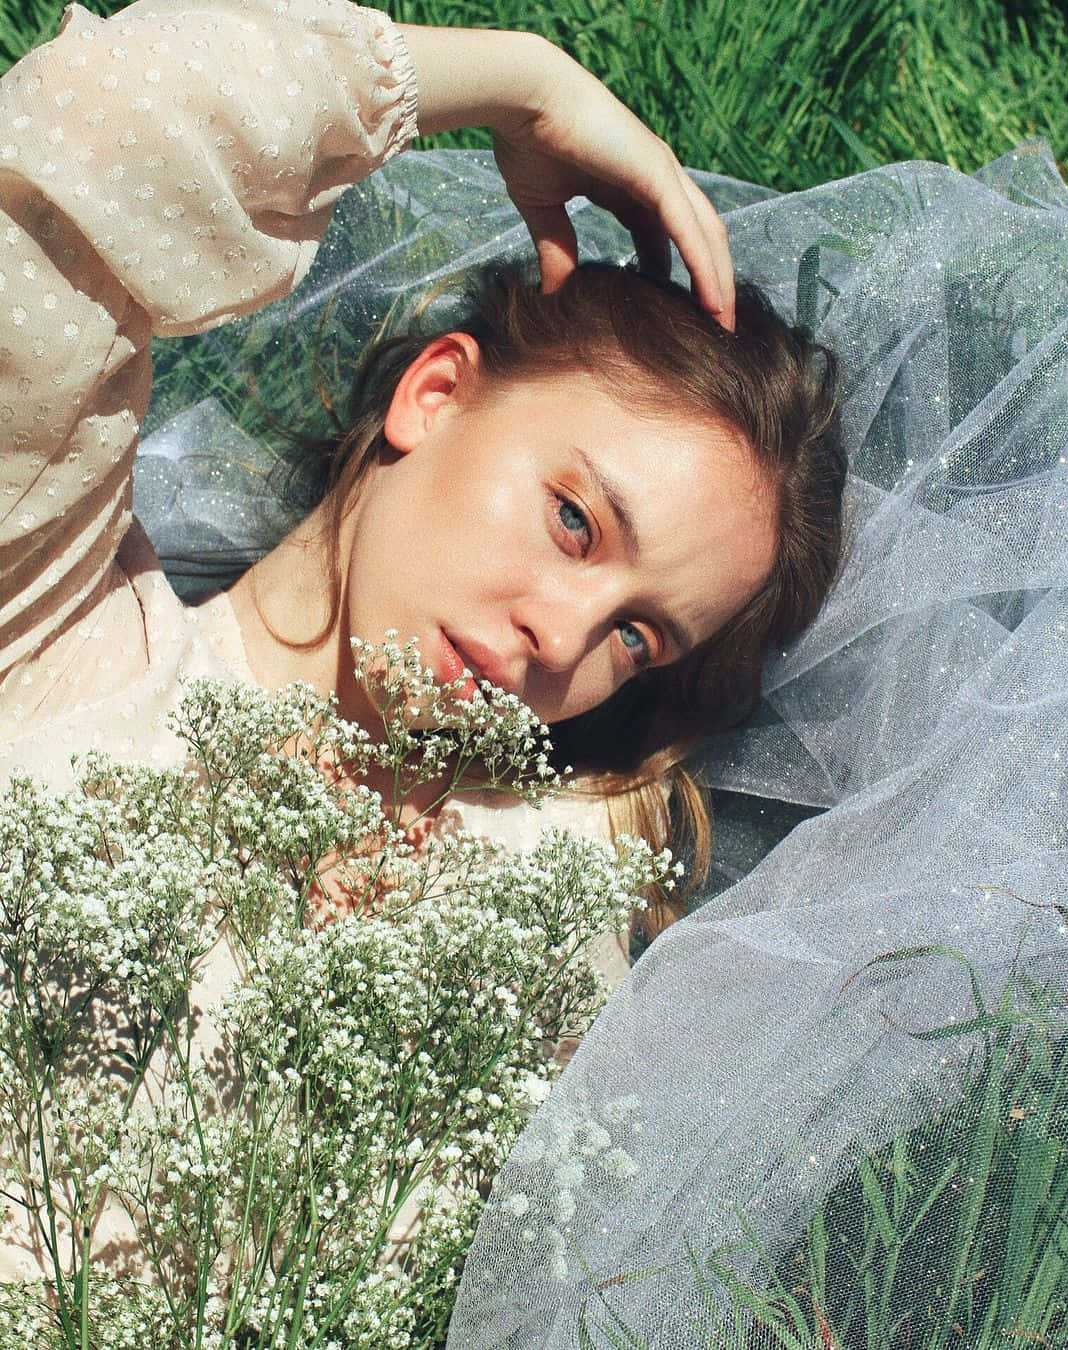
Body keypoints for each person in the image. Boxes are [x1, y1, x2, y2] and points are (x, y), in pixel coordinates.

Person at [0, 0, 844, 892]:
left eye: (636, 637)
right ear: (434, 395)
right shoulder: (57, 629)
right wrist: (527, 85)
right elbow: (89, 124)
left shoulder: (546, 870)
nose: (560, 644)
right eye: (573, 519)